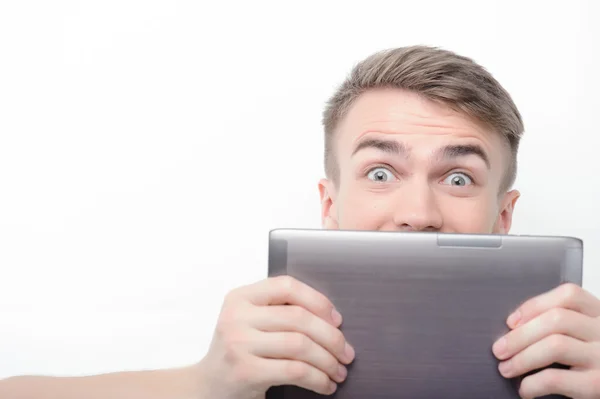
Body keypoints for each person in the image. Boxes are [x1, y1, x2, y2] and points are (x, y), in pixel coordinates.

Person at [2, 45, 600, 399]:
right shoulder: (253, 373)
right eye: (381, 173)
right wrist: (204, 384)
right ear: (329, 204)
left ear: (503, 215)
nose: (418, 215)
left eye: (459, 178)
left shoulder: (573, 377)